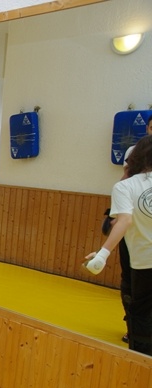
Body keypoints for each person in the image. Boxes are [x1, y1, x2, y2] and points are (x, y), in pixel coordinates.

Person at [84, 134, 152, 356]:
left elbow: (124, 221)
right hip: (141, 258)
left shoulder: (126, 187)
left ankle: (140, 363)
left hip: (145, 263)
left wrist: (102, 254)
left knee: (140, 314)